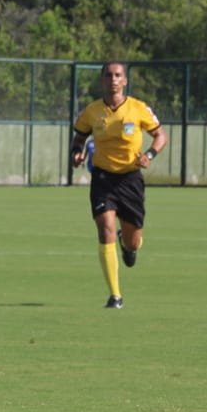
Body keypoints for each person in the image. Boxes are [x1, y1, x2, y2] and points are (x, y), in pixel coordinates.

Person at [69, 61, 168, 309]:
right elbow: (79, 137)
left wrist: (150, 155)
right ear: (102, 80)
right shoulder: (92, 111)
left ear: (124, 81)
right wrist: (77, 153)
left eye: (118, 75)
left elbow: (160, 135)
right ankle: (115, 295)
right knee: (105, 229)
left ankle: (129, 244)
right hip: (103, 178)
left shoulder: (138, 109)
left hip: (131, 178)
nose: (113, 79)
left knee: (133, 240)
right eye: (108, 75)